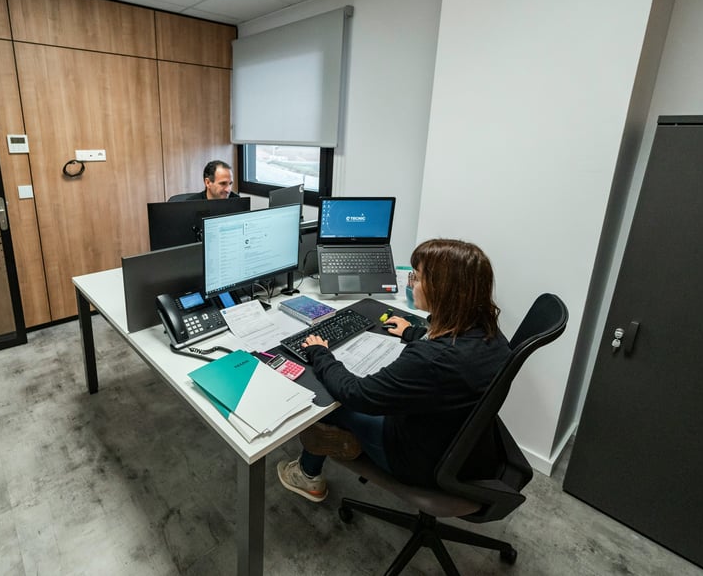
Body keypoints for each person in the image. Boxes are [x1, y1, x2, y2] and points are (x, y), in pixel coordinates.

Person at [277, 238, 511, 502]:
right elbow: (447, 355)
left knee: (329, 403)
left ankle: (307, 475)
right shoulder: (492, 335)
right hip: (463, 448)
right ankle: (342, 444)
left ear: (442, 291)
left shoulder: (430, 359)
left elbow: (356, 394)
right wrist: (413, 332)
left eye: (418, 278)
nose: (411, 284)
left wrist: (320, 352)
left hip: (418, 460)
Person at [168, 160, 240, 201]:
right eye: (223, 183)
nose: (228, 190)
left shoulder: (236, 200)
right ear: (208, 183)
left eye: (230, 183)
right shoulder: (191, 204)